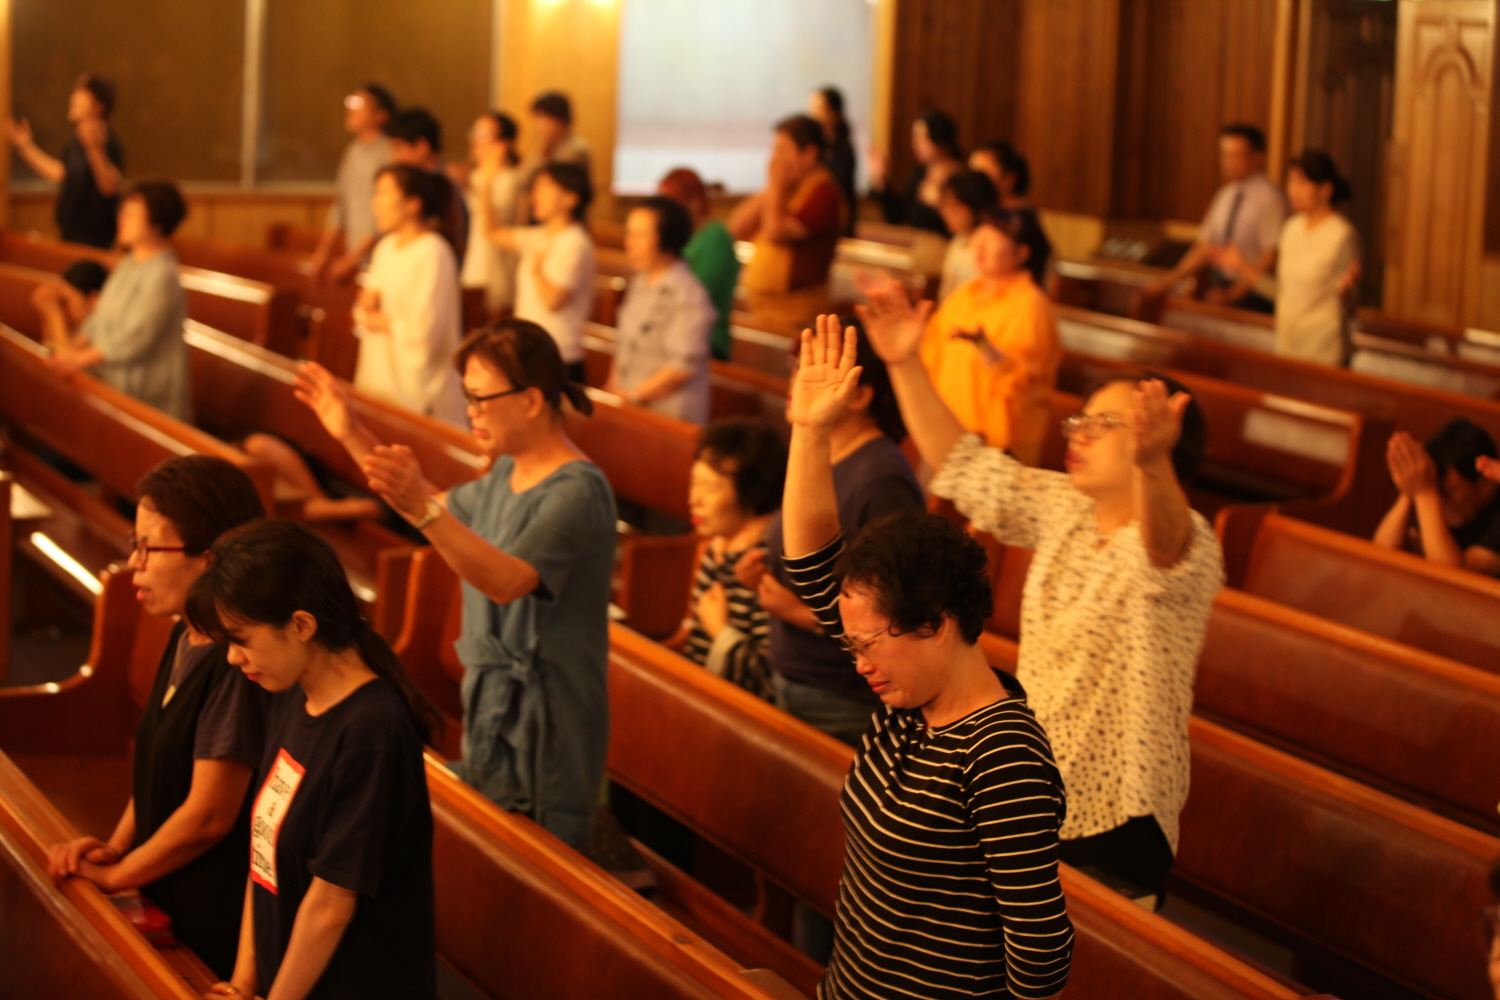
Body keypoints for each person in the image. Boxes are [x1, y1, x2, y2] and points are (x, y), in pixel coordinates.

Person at [856, 282, 1225, 908]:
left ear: (1159, 439)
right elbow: (963, 465)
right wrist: (905, 362)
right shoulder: (1066, 509)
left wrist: (1153, 465)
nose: (1079, 432)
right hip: (1031, 789)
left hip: (1117, 819)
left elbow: (1163, 547)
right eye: (1081, 419)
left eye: (1105, 423)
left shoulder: (1188, 540)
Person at [779, 317, 1073, 1000]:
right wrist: (810, 430)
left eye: (869, 644)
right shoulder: (907, 704)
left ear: (937, 625)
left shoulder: (1001, 753)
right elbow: (812, 557)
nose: (859, 664)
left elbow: (1041, 957)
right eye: (853, 645)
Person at [295, 319, 616, 850]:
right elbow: (428, 504)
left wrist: (423, 509)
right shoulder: (504, 474)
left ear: (531, 400)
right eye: (466, 397)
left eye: (480, 398)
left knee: (536, 864)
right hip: (492, 704)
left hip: (549, 722)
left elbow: (507, 581)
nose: (471, 411)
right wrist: (349, 431)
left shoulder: (578, 490)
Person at [189, 520, 438, 1000]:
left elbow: (330, 905)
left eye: (241, 639)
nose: (233, 659)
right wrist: (242, 984)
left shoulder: (373, 730)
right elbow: (263, 852)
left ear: (301, 625)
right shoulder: (291, 693)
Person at [46, 456, 268, 979]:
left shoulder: (238, 664)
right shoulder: (185, 633)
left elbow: (208, 817)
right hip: (163, 881)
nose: (135, 563)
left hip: (209, 916)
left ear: (210, 559)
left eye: (149, 547)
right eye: (134, 544)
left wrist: (120, 874)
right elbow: (157, 765)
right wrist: (116, 847)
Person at [754, 326, 923, 747]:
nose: (797, 382)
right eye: (797, 367)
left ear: (861, 396)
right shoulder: (819, 454)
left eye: (814, 370)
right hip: (796, 674)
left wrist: (798, 612)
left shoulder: (883, 479)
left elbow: (894, 616)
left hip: (838, 693)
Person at [878, 208, 1060, 466]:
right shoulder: (967, 293)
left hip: (1000, 446)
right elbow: (932, 352)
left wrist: (985, 346)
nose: (979, 248)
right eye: (978, 239)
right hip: (947, 428)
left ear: (1021, 253)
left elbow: (1022, 383)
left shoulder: (1031, 306)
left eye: (991, 241)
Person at [46, 180, 192, 420]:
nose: (121, 219)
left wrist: (78, 359)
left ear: (156, 225)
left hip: (146, 395)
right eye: (122, 212)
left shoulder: (162, 274)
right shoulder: (129, 263)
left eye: (131, 215)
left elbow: (135, 339)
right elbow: (98, 319)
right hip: (114, 382)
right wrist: (71, 349)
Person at [349, 164, 467, 425]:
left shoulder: (433, 252)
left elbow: (426, 334)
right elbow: (363, 313)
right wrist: (367, 309)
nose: (374, 202)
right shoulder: (386, 247)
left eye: (383, 193)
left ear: (413, 204)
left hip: (418, 392)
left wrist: (380, 320)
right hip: (380, 379)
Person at [683, 419, 788, 699]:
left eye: (710, 488)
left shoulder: (763, 562)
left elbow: (768, 685)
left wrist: (720, 631)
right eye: (694, 483)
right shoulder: (716, 545)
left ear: (752, 493)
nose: (694, 499)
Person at [1227, 150, 1361, 365]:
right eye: (1290, 182)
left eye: (1302, 183)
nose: (1293, 190)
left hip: (1324, 349)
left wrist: (1347, 294)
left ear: (1325, 189)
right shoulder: (1291, 228)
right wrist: (1242, 266)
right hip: (1287, 344)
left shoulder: (1341, 234)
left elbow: (1350, 303)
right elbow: (1284, 292)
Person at [476, 161, 596, 382]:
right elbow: (492, 232)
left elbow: (553, 300)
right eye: (535, 187)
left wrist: (537, 269)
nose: (535, 194)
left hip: (559, 355)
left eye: (544, 186)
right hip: (531, 350)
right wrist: (486, 186)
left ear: (570, 198)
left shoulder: (575, 242)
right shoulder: (539, 235)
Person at [1147, 124, 1287, 312]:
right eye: (1225, 154)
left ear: (1258, 157)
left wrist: (1234, 294)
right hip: (1220, 283)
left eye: (1236, 155)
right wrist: (1169, 280)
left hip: (1254, 294)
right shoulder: (1226, 194)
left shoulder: (1271, 197)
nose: (1229, 162)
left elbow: (1271, 255)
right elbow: (1205, 245)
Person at [728, 115, 848, 332]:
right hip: (766, 311)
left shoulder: (824, 194)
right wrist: (773, 187)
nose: (776, 159)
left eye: (783, 150)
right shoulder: (785, 190)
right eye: (775, 150)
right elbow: (737, 227)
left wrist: (776, 184)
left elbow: (776, 232)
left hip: (797, 315)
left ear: (809, 153)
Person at [606, 196, 714, 423]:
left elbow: (681, 369)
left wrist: (630, 396)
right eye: (629, 234)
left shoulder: (689, 293)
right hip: (628, 406)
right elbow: (625, 347)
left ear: (667, 238)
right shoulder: (640, 282)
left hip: (667, 416)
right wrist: (611, 391)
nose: (629, 243)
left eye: (640, 235)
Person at [7, 74, 123, 248]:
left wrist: (95, 149)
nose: (74, 97)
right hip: (69, 233)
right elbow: (60, 173)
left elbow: (110, 187)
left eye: (83, 92)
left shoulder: (109, 143)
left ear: (99, 106)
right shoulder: (74, 143)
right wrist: (26, 148)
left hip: (95, 241)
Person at [1374, 419, 1500, 575]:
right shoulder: (1431, 490)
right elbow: (1381, 557)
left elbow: (1455, 579)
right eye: (1435, 492)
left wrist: (1425, 493)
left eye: (1448, 493)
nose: (1439, 503)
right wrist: (1411, 489)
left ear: (1485, 484)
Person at [310, 84, 396, 285]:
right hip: (356, 255)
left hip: (381, 256)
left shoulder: (388, 152)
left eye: (359, 105)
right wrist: (323, 251)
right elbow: (340, 204)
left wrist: (353, 258)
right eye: (351, 103)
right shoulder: (353, 151)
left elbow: (384, 213)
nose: (351, 110)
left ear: (380, 115)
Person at [658, 167, 740, 361]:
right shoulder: (688, 236)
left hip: (706, 342)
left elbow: (700, 294)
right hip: (677, 334)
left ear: (694, 202)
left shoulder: (715, 238)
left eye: (673, 206)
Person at [386, 107, 469, 268]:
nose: (394, 157)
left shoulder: (446, 184)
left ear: (422, 146)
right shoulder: (416, 184)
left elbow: (457, 238)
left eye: (398, 147)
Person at [461, 111, 525, 317]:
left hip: (495, 268)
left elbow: (491, 227)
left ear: (502, 144)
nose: (475, 140)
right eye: (475, 132)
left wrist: (487, 182)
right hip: (474, 262)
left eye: (483, 134)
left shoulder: (509, 179)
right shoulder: (476, 175)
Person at [969, 140, 1053, 288]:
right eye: (971, 172)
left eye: (982, 173)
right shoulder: (983, 215)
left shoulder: (1022, 223)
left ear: (1009, 179)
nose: (972, 181)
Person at [870, 110, 962, 236]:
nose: (916, 144)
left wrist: (941, 203)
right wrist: (881, 178)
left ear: (939, 137)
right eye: (915, 137)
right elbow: (898, 216)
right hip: (917, 243)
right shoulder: (918, 175)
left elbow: (962, 227)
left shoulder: (960, 177)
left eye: (923, 137)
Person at [935, 169, 998, 301]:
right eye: (944, 206)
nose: (946, 213)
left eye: (955, 206)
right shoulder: (958, 241)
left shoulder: (993, 249)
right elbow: (946, 295)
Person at [808, 86, 857, 236]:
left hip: (836, 220)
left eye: (819, 108)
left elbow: (836, 185)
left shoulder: (843, 149)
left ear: (834, 113)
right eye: (812, 108)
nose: (813, 114)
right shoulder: (815, 147)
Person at [32, 258, 108, 351]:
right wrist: (46, 315)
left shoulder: (103, 329)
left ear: (93, 299)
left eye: (67, 301)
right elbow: (49, 349)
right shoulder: (81, 324)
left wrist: (54, 314)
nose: (64, 307)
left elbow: (65, 357)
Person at [529, 91, 591, 179]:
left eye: (544, 117)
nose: (539, 124)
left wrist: (541, 156)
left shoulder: (574, 151)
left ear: (560, 119)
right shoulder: (549, 145)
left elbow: (548, 181)